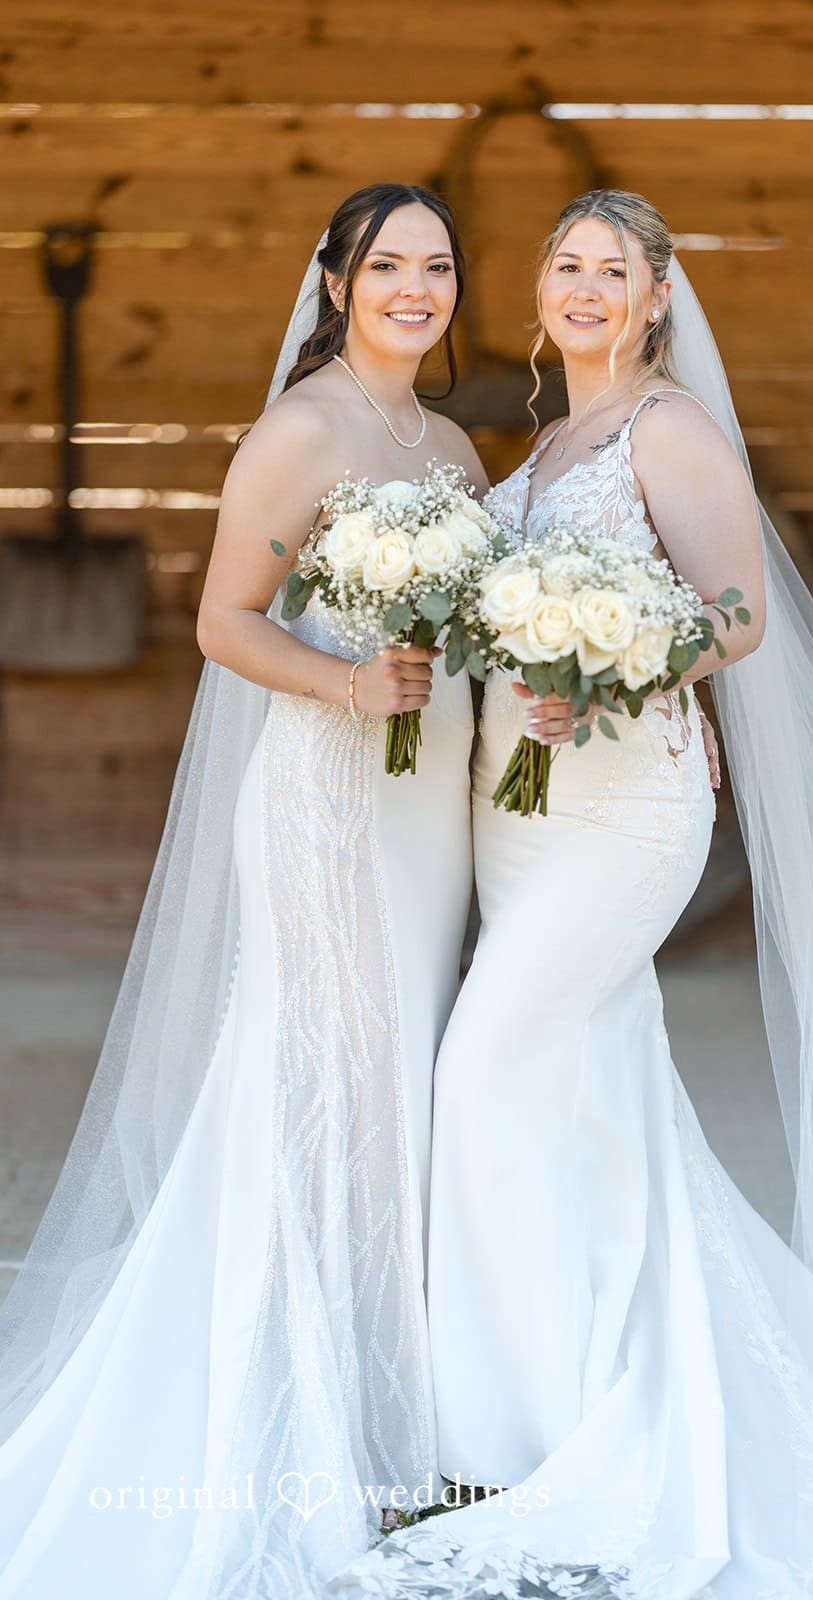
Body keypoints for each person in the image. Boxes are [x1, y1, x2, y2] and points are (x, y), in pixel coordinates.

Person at [330, 190, 813, 1599]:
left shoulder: (671, 430)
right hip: (515, 813)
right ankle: (598, 1389)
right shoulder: (545, 444)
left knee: (485, 1068)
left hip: (628, 811)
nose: (586, 288)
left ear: (658, 297)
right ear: (541, 290)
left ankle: (502, 1438)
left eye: (614, 270)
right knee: (592, 1099)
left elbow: (740, 613)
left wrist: (613, 661)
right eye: (567, 266)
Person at [0, 183, 486, 1598]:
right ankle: (307, 1426)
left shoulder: (450, 445)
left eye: (438, 266)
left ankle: (407, 1403)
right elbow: (225, 622)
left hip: (427, 808)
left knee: (404, 1087)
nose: (415, 286)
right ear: (336, 282)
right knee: (323, 1086)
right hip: (328, 799)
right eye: (387, 263)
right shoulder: (303, 431)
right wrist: (348, 679)